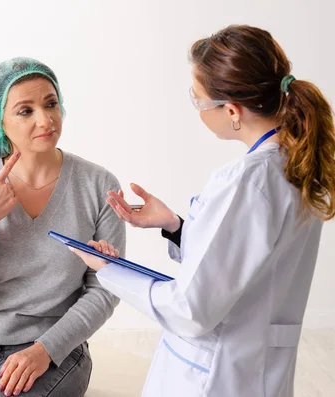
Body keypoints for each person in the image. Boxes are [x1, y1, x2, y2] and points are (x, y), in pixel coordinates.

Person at [72, 25, 335, 397]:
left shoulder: (246, 182)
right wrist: (176, 226)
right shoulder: (296, 167)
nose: (197, 110)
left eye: (197, 100)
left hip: (214, 377)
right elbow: (247, 261)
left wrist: (107, 269)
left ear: (231, 110)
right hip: (257, 368)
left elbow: (191, 311)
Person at [0, 57, 126, 397]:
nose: (46, 119)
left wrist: (45, 349)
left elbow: (106, 288)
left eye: (51, 104)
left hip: (52, 347)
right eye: (25, 110)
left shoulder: (97, 184)